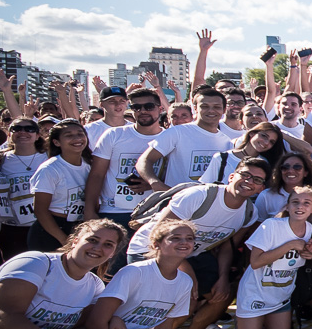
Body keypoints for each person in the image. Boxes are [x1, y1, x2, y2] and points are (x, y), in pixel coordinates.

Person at [127, 158, 266, 329]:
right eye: (246, 175)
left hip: (192, 255)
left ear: (260, 189)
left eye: (257, 180)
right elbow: (160, 235)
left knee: (222, 295)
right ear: (232, 176)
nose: (250, 182)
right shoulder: (199, 195)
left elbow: (226, 245)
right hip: (150, 250)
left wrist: (224, 278)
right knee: (184, 298)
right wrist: (188, 274)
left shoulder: (249, 213)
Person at [196, 187, 312, 329]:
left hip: (281, 297)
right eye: (295, 202)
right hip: (254, 294)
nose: (300, 206)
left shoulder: (311, 230)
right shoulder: (271, 225)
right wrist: (290, 245)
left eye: (306, 203)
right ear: (287, 206)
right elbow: (256, 262)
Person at [84, 88, 165, 241]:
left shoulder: (170, 137)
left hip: (154, 213)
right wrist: (89, 210)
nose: (143, 111)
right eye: (136, 107)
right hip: (114, 212)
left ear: (160, 109)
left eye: (149, 107)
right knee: (111, 264)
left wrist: (152, 184)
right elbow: (97, 174)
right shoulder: (114, 135)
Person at [136, 85, 232, 189]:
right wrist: (155, 183)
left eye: (217, 107)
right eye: (204, 106)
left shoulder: (227, 142)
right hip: (176, 201)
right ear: (195, 108)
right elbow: (144, 160)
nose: (211, 110)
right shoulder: (177, 132)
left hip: (210, 202)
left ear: (224, 110)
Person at [28, 119, 92, 251]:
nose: (77, 138)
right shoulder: (49, 169)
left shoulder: (90, 166)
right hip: (52, 229)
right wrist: (64, 240)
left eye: (80, 134)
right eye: (68, 135)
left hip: (79, 226)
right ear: (56, 142)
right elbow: (41, 210)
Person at [0, 118, 45, 260]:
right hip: (11, 227)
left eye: (29, 129)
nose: (22, 132)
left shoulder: (49, 157)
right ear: (9, 134)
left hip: (43, 225)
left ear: (37, 135)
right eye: (16, 129)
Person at [255, 152, 312, 221]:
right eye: (285, 167)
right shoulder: (266, 195)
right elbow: (257, 224)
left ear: (305, 172)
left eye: (297, 167)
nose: (290, 171)